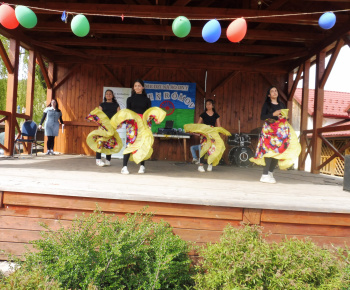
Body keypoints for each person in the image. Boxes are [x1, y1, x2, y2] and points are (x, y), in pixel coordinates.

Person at [250, 86, 301, 184]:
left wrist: (285, 118)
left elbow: (282, 116)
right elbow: (262, 117)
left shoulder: (281, 104)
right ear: (269, 95)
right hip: (269, 131)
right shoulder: (267, 104)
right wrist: (273, 114)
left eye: (276, 91)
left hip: (279, 131)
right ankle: (264, 175)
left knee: (278, 152)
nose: (274, 92)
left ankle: (270, 172)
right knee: (270, 152)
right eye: (272, 91)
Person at [121, 79, 151, 174]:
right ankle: (124, 167)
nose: (137, 87)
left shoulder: (147, 100)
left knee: (142, 144)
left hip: (143, 124)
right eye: (135, 86)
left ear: (142, 87)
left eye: (139, 85)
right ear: (133, 88)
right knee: (130, 144)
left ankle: (142, 166)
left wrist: (155, 119)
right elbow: (127, 112)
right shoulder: (130, 99)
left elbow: (149, 113)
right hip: (132, 124)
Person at [95, 89, 120, 166]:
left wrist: (118, 124)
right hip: (103, 126)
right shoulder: (102, 105)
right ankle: (98, 160)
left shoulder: (116, 105)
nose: (108, 95)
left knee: (110, 142)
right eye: (107, 94)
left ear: (112, 96)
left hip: (112, 126)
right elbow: (99, 115)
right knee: (100, 141)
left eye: (110, 94)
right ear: (105, 96)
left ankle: (108, 160)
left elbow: (119, 116)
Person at [197, 99, 221, 172]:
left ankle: (210, 164)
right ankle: (200, 166)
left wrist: (218, 134)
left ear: (212, 105)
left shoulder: (216, 115)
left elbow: (219, 125)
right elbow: (198, 124)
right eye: (206, 104)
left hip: (212, 134)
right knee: (203, 149)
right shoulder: (203, 114)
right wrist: (198, 131)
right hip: (205, 133)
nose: (208, 106)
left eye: (209, 104)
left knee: (212, 149)